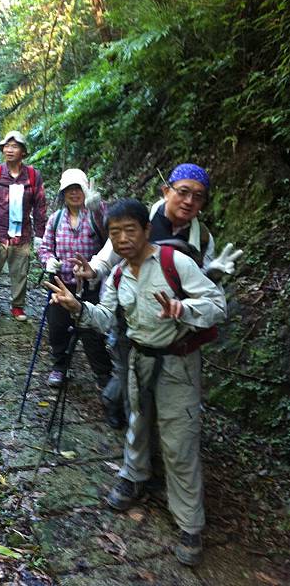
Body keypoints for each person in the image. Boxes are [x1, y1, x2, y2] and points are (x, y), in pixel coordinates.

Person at [45, 198, 227, 567]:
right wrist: (77, 307)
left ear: (147, 230)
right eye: (116, 233)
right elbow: (105, 318)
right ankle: (135, 476)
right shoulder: (117, 274)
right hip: (139, 359)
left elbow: (217, 304)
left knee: (179, 441)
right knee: (137, 424)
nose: (124, 239)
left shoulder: (176, 264)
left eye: (131, 230)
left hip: (178, 364)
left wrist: (183, 309)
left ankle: (190, 524)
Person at [73, 163, 242, 427]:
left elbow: (203, 287)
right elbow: (109, 254)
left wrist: (211, 274)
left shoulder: (203, 238)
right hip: (130, 317)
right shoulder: (141, 220)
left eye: (198, 197)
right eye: (183, 192)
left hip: (173, 326)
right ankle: (129, 424)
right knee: (130, 377)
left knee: (160, 385)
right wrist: (92, 270)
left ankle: (154, 438)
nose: (189, 201)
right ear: (166, 190)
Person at [37, 168, 112, 388]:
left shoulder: (96, 215)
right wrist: (48, 260)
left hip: (91, 285)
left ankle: (103, 374)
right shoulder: (56, 219)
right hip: (62, 285)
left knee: (91, 331)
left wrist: (97, 205)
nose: (74, 193)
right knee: (58, 328)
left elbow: (112, 233)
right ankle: (61, 366)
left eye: (78, 188)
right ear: (62, 194)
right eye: (69, 189)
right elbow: (44, 248)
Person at [0, 131, 46, 320]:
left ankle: (18, 306)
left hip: (22, 234)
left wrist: (40, 235)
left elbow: (40, 206)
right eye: (6, 146)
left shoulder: (33, 176)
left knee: (20, 272)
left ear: (23, 152)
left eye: (14, 146)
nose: (9, 150)